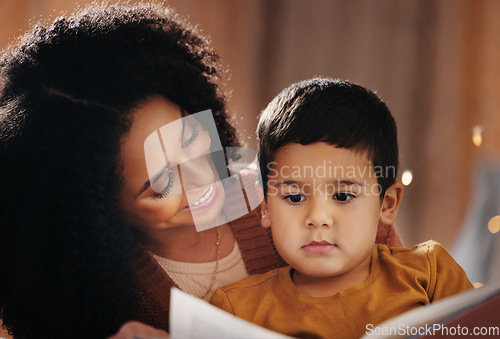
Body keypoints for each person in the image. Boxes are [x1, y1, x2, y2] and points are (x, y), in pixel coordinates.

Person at [0, 4, 401, 338]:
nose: (203, 179)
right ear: (97, 210)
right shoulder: (87, 292)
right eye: (160, 185)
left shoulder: (318, 201)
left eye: (191, 139)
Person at [209, 78, 474, 339]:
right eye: (294, 198)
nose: (318, 218)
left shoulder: (430, 276)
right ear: (265, 207)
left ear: (388, 203)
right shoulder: (235, 310)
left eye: (343, 196)